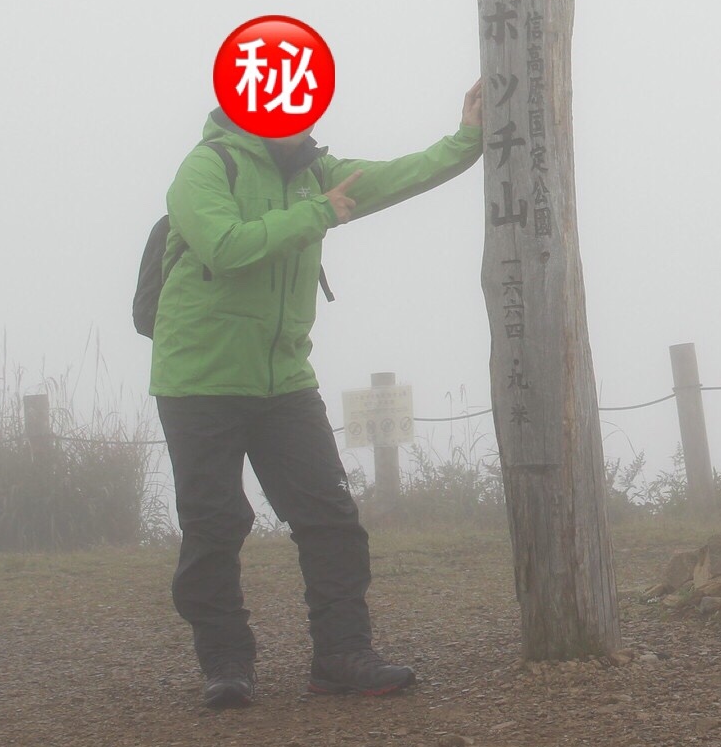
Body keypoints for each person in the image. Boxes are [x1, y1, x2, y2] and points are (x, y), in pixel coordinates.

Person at [150, 81, 483, 709]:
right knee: (215, 525)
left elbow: (398, 176)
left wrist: (468, 138)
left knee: (330, 519)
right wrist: (319, 212)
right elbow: (224, 246)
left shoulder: (314, 171)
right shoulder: (205, 166)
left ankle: (341, 655)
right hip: (198, 380)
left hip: (284, 381)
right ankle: (225, 663)